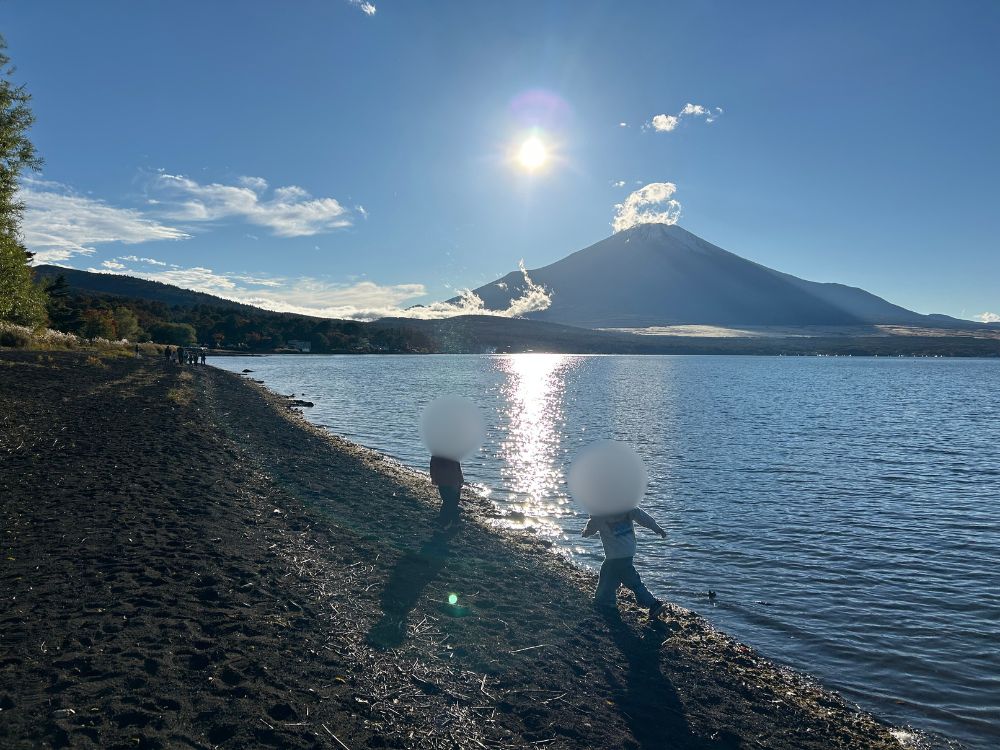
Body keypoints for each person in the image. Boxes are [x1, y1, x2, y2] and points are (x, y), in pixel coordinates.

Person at [582, 507, 667, 618]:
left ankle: (652, 603)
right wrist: (657, 528)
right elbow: (642, 517)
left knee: (628, 580)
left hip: (615, 554)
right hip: (628, 551)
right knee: (612, 576)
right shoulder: (625, 506)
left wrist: (585, 532)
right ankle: (606, 601)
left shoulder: (600, 513)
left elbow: (592, 528)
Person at [429, 456, 463, 529]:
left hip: (449, 480)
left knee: (451, 501)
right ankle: (447, 522)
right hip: (448, 480)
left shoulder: (440, 452)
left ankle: (451, 521)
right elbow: (433, 465)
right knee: (450, 501)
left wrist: (433, 477)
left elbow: (433, 465)